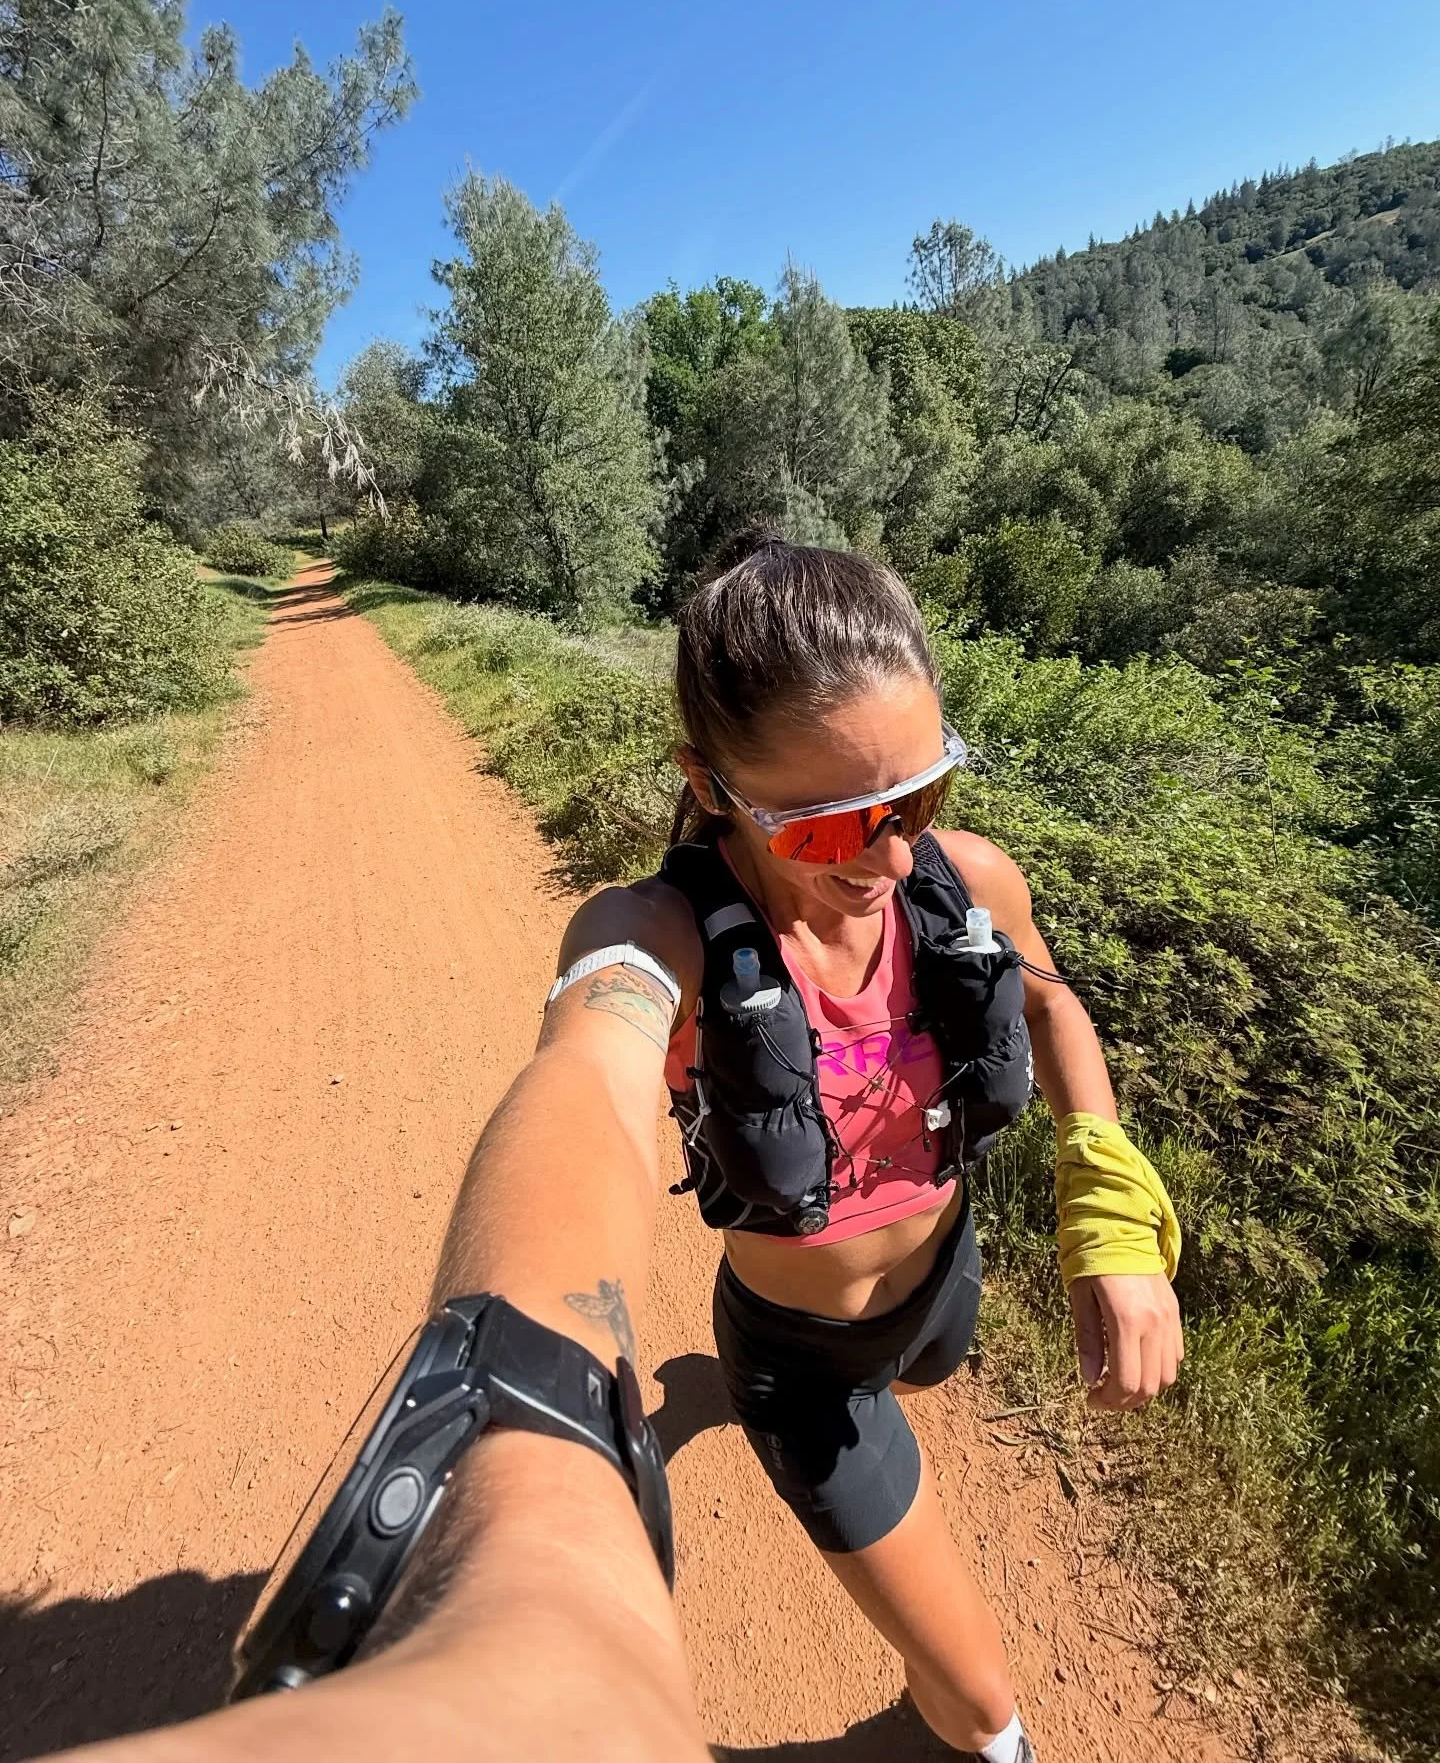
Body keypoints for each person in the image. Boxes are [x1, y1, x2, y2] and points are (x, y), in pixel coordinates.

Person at [66, 535, 1180, 1763]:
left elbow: (1049, 1008)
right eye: (827, 830)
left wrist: (1110, 1214)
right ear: (710, 783)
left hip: (944, 1282)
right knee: (978, 1706)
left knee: (920, 1375)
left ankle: (847, 1384)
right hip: (805, 1365)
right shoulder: (654, 936)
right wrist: (523, 1474)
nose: (894, 856)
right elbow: (585, 1089)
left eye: (920, 798)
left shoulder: (966, 881)